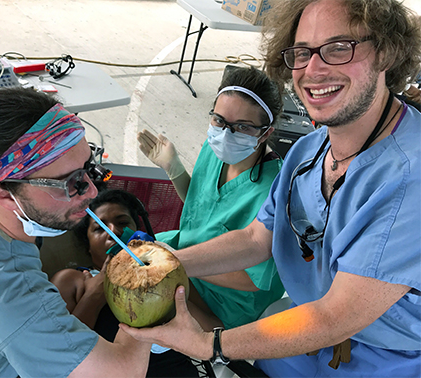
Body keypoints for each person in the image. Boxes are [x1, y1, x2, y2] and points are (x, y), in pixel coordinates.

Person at [121, 0, 421, 377]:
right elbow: (253, 239)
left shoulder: (410, 179)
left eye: (339, 48)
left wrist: (209, 343)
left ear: (388, 53)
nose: (313, 69)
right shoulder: (308, 152)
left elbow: (335, 316)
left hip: (387, 358)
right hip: (301, 339)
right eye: (301, 52)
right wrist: (168, 262)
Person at [0, 88, 152, 377]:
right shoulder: (10, 294)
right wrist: (147, 295)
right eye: (71, 183)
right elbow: (123, 372)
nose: (92, 190)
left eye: (88, 168)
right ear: (3, 194)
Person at [137, 65, 286, 330]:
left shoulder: (275, 190)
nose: (226, 134)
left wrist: (181, 264)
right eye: (219, 120)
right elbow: (202, 209)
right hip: (185, 259)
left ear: (266, 133)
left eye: (243, 127)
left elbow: (252, 279)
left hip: (225, 301)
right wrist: (175, 170)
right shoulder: (213, 149)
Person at [52, 188, 213, 378]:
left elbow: (213, 332)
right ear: (87, 245)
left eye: (122, 223)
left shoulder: (169, 272)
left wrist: (171, 296)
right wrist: (95, 296)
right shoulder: (73, 281)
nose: (114, 232)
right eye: (99, 229)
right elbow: (57, 358)